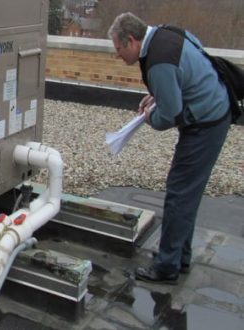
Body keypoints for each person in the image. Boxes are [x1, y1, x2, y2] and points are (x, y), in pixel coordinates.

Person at [108, 13, 231, 284]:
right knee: (186, 193)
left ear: (131, 40)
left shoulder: (159, 61)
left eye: (118, 49)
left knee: (179, 194)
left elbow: (169, 115)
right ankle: (179, 258)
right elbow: (186, 68)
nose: (118, 56)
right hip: (215, 112)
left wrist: (149, 116)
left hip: (205, 125)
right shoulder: (166, 34)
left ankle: (166, 268)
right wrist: (160, 93)